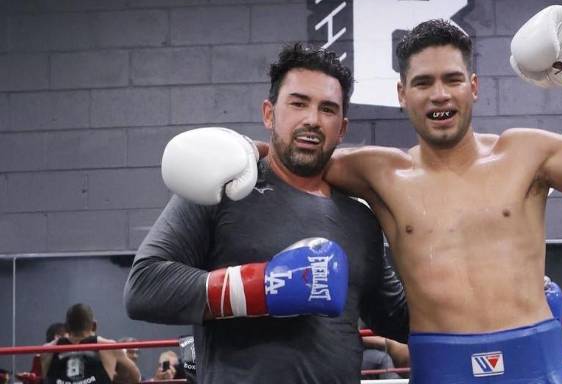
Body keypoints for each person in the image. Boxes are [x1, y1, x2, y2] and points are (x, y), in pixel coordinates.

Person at [167, 6, 562, 382]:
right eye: (424, 82)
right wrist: (231, 148)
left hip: (534, 362)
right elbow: (296, 151)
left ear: (473, 87)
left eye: (453, 79)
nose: (439, 93)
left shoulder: (528, 154)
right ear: (401, 94)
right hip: (438, 366)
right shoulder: (378, 173)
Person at [124, 44, 408, 384]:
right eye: (298, 103)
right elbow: (144, 287)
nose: (312, 120)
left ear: (342, 128)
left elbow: (398, 318)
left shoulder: (360, 216)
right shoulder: (224, 186)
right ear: (269, 113)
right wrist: (262, 287)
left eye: (327, 109)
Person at [41, 303, 140, 384]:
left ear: (66, 327)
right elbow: (136, 377)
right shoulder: (109, 347)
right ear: (94, 326)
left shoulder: (47, 350)